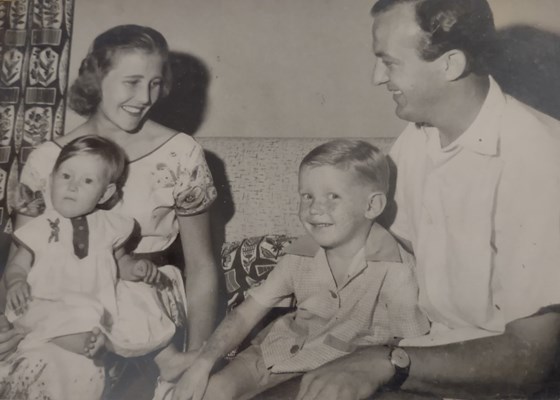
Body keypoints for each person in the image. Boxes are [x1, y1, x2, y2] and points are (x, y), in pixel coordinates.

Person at [294, 1, 560, 400]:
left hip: (504, 381)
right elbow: (374, 248)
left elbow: (528, 361)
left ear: (450, 64)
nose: (377, 77)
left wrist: (387, 361)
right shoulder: (420, 137)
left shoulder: (539, 160)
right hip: (427, 352)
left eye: (390, 62)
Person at [0, 24, 219, 399]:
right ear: (96, 77)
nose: (145, 97)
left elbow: (201, 266)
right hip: (62, 299)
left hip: (145, 301)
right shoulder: (48, 159)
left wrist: (199, 358)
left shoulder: (181, 153)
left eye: (155, 82)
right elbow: (25, 261)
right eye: (132, 82)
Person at [158, 139, 430, 400]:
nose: (315, 209)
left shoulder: (396, 271)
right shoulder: (299, 255)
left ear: (373, 206)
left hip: (330, 374)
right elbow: (244, 315)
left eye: (333, 196)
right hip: (271, 354)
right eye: (307, 196)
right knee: (208, 392)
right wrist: (202, 364)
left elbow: (411, 348)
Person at [4, 135, 174, 360]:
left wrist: (136, 268)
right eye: (66, 176)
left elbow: (120, 262)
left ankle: (115, 345)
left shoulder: (111, 226)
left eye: (87, 181)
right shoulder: (40, 226)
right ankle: (81, 342)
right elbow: (17, 266)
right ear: (52, 179)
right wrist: (16, 283)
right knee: (40, 313)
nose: (72, 186)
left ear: (104, 194)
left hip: (96, 305)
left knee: (139, 309)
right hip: (46, 301)